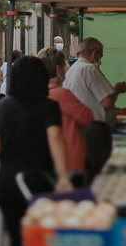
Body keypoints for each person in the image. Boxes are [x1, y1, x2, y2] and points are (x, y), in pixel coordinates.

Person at [0, 55, 71, 246]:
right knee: (46, 241)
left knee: (16, 239)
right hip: (36, 183)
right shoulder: (48, 107)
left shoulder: (3, 107)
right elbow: (56, 138)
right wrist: (64, 176)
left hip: (5, 183)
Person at [62, 37, 126, 183]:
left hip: (79, 127)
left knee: (87, 169)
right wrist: (117, 90)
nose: (100, 60)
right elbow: (107, 102)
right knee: (98, 171)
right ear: (94, 53)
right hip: (95, 129)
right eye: (100, 56)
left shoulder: (72, 71)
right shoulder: (89, 69)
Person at [37, 47, 93, 183]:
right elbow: (88, 117)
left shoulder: (36, 94)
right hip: (69, 162)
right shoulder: (61, 94)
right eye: (65, 66)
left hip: (44, 161)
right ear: (58, 69)